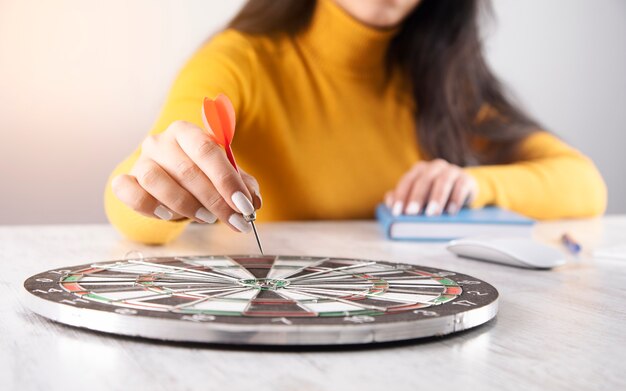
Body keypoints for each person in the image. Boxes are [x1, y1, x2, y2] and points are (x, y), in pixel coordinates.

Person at [105, 0, 607, 244]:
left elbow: (586, 186)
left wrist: (471, 185)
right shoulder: (241, 61)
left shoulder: (442, 80)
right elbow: (137, 190)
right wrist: (155, 184)